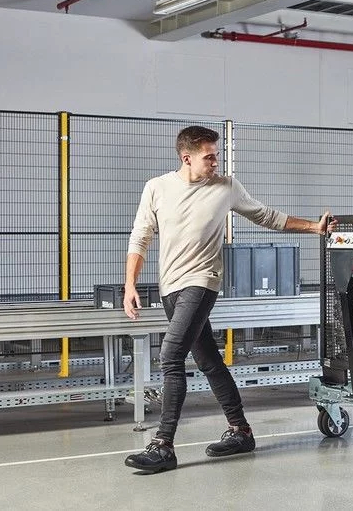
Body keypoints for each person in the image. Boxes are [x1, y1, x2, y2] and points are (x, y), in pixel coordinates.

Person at [123, 125, 337, 473]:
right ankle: (241, 431)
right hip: (170, 288)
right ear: (186, 157)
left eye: (217, 155)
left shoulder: (226, 188)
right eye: (209, 157)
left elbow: (267, 216)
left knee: (170, 356)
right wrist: (130, 284)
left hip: (201, 282)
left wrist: (314, 227)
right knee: (208, 360)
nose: (216, 162)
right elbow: (141, 236)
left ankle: (163, 445)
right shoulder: (157, 188)